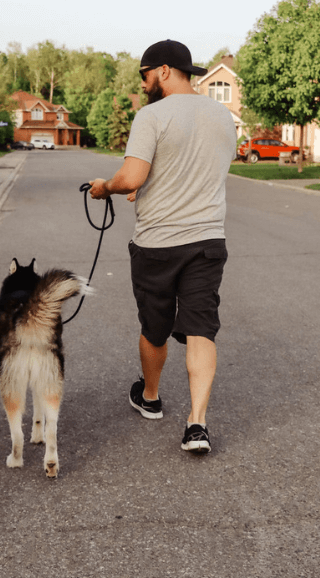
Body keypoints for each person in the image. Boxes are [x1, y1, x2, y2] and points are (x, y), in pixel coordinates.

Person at [89, 40, 236, 454]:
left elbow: (133, 176)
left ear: (165, 70)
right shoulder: (223, 115)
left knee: (155, 327)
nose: (144, 82)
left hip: (158, 243)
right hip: (207, 239)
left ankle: (150, 398)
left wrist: (108, 187)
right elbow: (201, 168)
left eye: (145, 73)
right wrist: (152, 187)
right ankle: (197, 425)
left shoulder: (151, 115)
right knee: (201, 327)